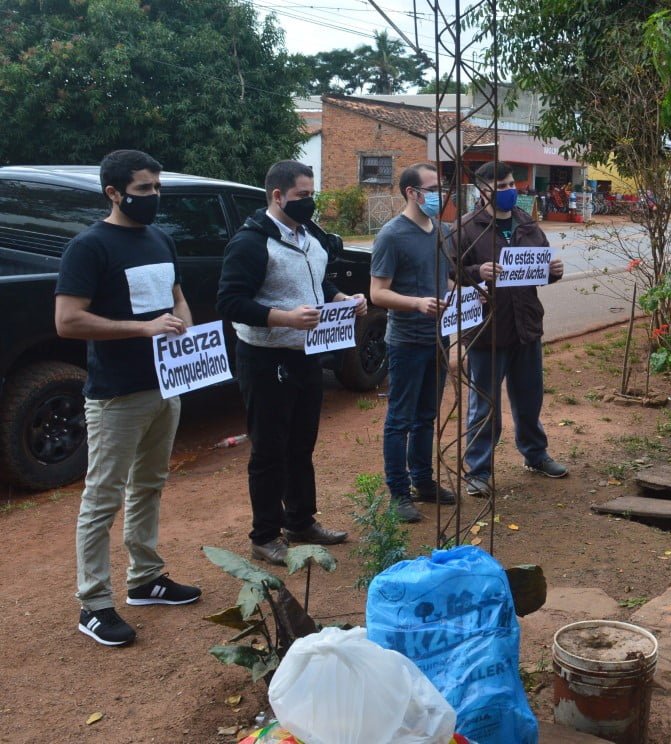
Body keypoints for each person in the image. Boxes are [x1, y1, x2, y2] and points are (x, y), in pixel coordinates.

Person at [55, 150, 202, 647]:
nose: (153, 196)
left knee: (149, 485)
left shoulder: (161, 238)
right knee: (103, 497)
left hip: (165, 386)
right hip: (117, 395)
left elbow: (176, 297)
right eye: (143, 189)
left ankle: (145, 579)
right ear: (114, 193)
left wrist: (184, 326)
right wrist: (142, 330)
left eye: (157, 188)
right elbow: (67, 320)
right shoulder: (88, 247)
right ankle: (94, 603)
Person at [217, 161, 365, 565]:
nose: (309, 202)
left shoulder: (308, 235)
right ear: (278, 196)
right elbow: (229, 302)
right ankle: (264, 536)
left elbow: (317, 280)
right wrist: (285, 318)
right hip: (266, 358)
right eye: (302, 195)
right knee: (269, 449)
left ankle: (300, 520)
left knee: (301, 444)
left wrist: (340, 298)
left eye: (312, 194)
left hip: (307, 353)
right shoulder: (250, 243)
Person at [452, 161, 567, 497]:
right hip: (487, 331)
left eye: (510, 184)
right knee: (484, 405)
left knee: (530, 398)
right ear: (483, 190)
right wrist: (478, 271)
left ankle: (535, 454)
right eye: (500, 186)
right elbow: (449, 272)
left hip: (525, 327)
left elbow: (539, 269)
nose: (508, 191)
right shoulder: (466, 229)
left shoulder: (526, 223)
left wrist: (554, 271)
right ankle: (478, 470)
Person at [369, 163, 458, 523]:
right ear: (412, 192)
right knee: (400, 419)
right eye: (433, 188)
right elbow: (378, 293)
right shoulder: (392, 235)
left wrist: (466, 293)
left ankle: (423, 481)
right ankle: (399, 492)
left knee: (426, 416)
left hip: (438, 338)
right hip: (406, 341)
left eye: (441, 187)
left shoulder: (442, 231)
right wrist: (417, 304)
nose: (440, 194)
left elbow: (442, 280)